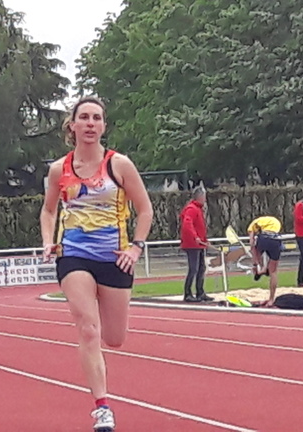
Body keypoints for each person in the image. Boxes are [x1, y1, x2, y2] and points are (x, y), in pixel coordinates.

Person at [40, 96, 153, 432]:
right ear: (72, 125)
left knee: (114, 338)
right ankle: (102, 407)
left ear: (103, 126)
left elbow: (145, 210)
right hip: (73, 254)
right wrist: (48, 240)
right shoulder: (59, 169)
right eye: (84, 117)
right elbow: (48, 210)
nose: (90, 123)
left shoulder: (120, 165)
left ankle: (99, 361)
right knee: (88, 329)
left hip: (114, 257)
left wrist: (136, 248)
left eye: (97, 118)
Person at [179, 186, 212, 302]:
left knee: (201, 268)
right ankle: (188, 293)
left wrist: (204, 239)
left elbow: (200, 227)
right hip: (192, 244)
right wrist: (195, 237)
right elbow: (187, 224)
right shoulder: (192, 209)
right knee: (194, 268)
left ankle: (200, 292)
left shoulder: (197, 209)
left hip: (199, 244)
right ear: (200, 197)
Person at [248, 216, 284, 307]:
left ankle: (259, 268)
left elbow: (251, 243)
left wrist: (255, 263)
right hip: (276, 239)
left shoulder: (252, 225)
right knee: (273, 272)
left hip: (264, 238)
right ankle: (271, 299)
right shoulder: (275, 221)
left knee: (256, 251)